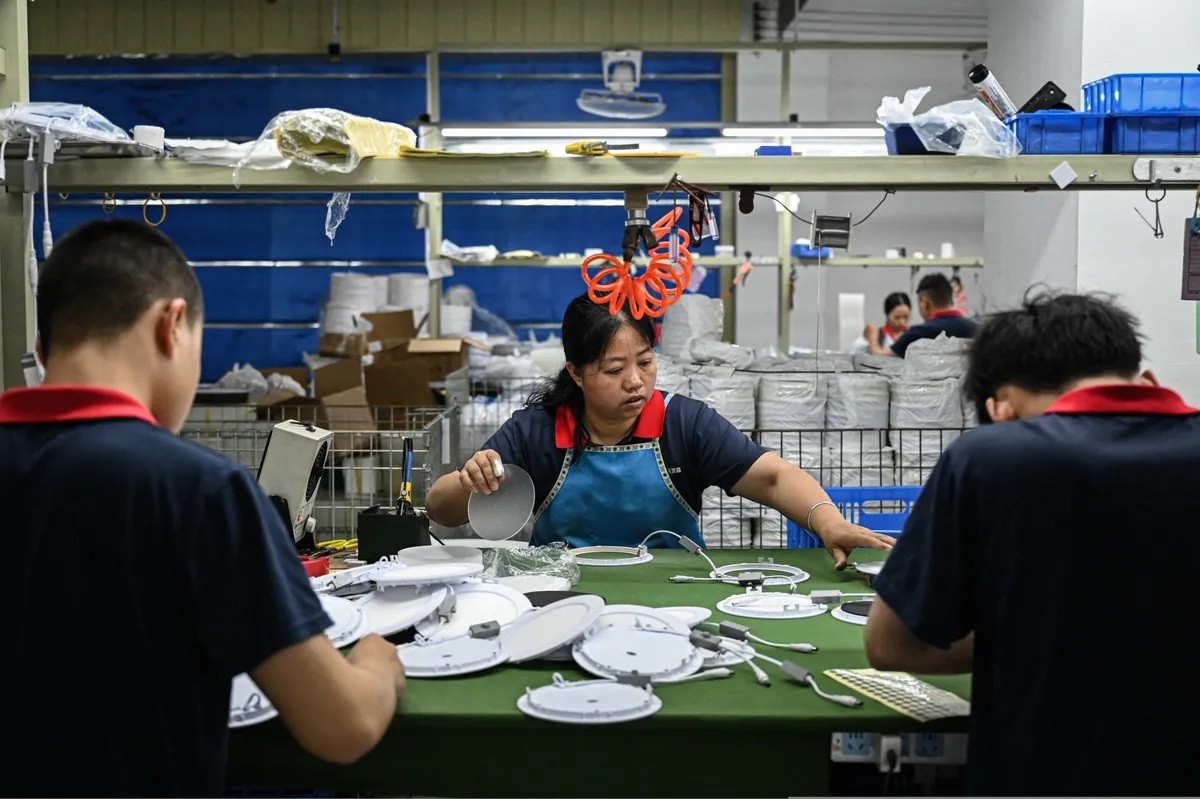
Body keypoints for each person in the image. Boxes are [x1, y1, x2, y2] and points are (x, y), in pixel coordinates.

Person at [0, 220, 405, 796]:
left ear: (43, 351)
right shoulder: (199, 491)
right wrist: (377, 664)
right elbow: (344, 727)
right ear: (172, 326)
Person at [862, 292, 1198, 796]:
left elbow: (890, 643)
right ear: (1145, 379)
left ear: (1003, 407)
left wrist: (1034, 632)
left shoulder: (990, 460)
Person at [427, 293, 895, 568]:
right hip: (565, 594)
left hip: (678, 589)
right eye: (614, 369)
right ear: (576, 373)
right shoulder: (536, 430)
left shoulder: (684, 424)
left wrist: (828, 521)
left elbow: (772, 478)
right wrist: (470, 479)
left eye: (646, 362)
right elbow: (442, 510)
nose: (636, 381)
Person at [864, 273, 976, 358]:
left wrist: (872, 336)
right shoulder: (976, 329)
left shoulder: (918, 333)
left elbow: (880, 357)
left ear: (925, 303)